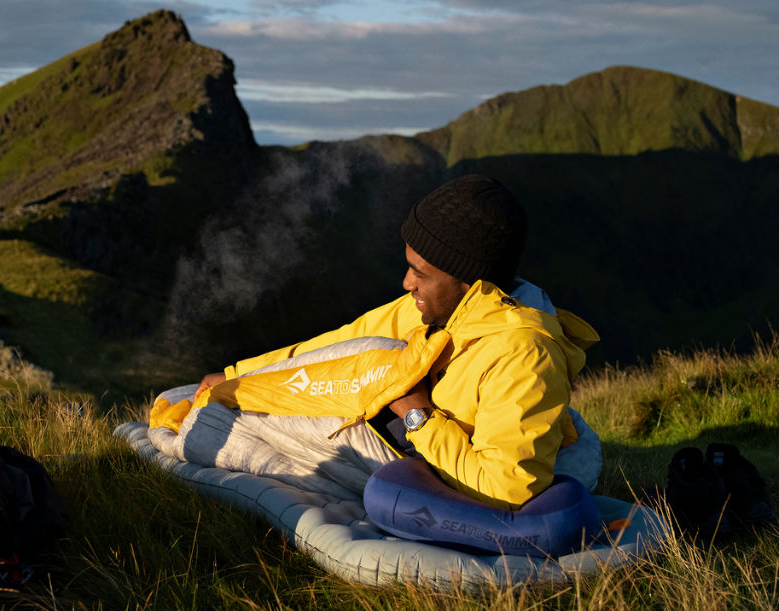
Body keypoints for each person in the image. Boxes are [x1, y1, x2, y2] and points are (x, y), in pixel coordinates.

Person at [184, 174, 599, 510]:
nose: (406, 283)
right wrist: (239, 375)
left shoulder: (523, 355)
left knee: (208, 430)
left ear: (468, 280)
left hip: (428, 448)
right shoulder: (445, 310)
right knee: (227, 400)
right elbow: (342, 342)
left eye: (421, 273)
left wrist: (418, 415)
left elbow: (507, 488)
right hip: (414, 434)